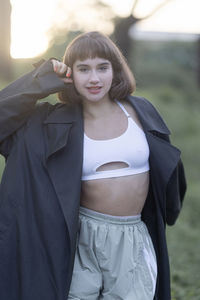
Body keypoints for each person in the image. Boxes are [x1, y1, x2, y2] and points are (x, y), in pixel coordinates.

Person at [0, 31, 186, 300]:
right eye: (83, 69)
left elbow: (168, 170)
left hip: (131, 236)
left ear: (115, 70)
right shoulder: (52, 123)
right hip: (79, 239)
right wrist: (38, 80)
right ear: (70, 75)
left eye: (102, 67)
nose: (94, 78)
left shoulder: (141, 111)